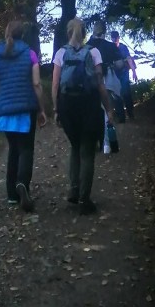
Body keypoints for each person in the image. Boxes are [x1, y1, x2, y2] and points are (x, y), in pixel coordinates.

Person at [0, 19, 47, 212]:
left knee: (13, 150)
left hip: (5, 112)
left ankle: (11, 196)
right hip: (25, 110)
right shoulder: (30, 54)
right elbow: (36, 84)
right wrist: (42, 109)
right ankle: (23, 183)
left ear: (7, 33)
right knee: (26, 149)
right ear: (22, 34)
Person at [51, 17, 118, 215]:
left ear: (68, 32)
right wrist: (108, 109)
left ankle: (73, 189)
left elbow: (55, 85)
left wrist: (56, 110)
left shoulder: (61, 53)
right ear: (85, 32)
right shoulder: (94, 52)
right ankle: (84, 199)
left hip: (67, 106)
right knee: (87, 150)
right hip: (89, 105)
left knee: (75, 146)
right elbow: (100, 84)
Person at [110, 29, 138, 120]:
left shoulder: (123, 47)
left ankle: (130, 113)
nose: (114, 40)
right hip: (115, 73)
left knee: (126, 92)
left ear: (118, 38)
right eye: (113, 38)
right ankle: (121, 116)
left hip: (124, 72)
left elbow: (129, 59)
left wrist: (134, 72)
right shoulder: (110, 47)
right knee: (116, 94)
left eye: (115, 38)